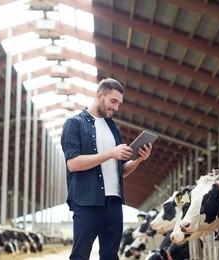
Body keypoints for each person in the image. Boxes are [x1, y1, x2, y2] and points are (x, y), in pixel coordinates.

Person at [61, 78, 153, 260]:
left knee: (111, 256)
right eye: (113, 101)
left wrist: (139, 160)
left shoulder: (114, 129)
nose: (116, 108)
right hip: (87, 202)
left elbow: (122, 171)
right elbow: (73, 164)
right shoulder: (75, 124)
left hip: (114, 202)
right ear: (99, 95)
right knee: (80, 255)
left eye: (119, 103)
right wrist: (110, 153)